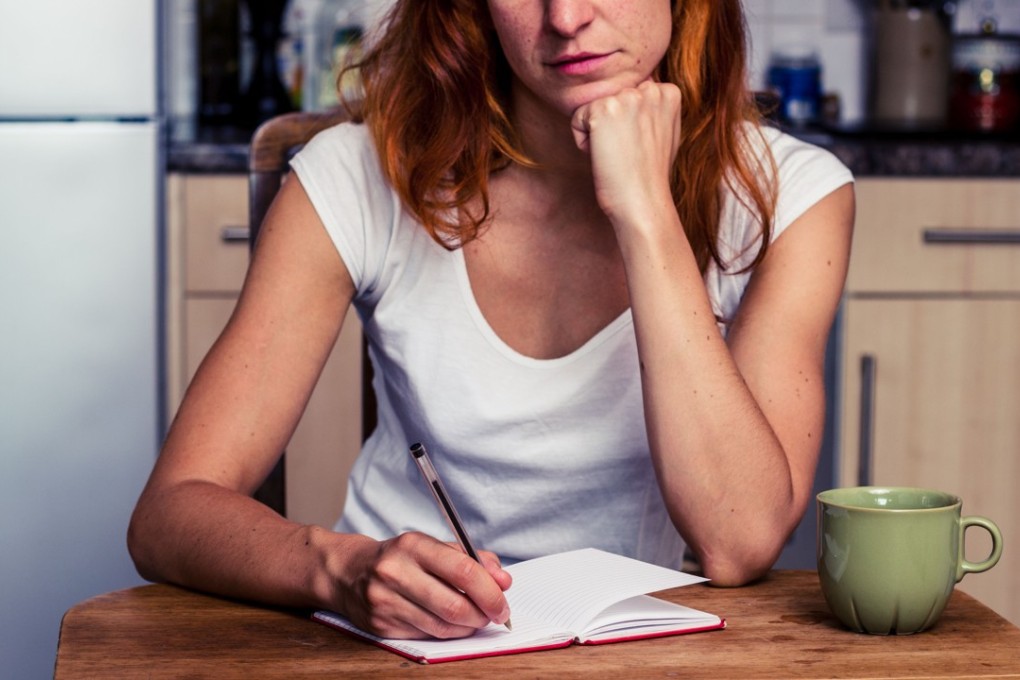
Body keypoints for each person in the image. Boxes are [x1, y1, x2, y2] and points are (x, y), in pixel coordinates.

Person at [128, 0, 854, 641]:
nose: (566, 17)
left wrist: (644, 212)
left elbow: (739, 541)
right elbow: (169, 513)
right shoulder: (358, 173)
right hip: (385, 648)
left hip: (623, 649)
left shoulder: (788, 194)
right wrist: (345, 571)